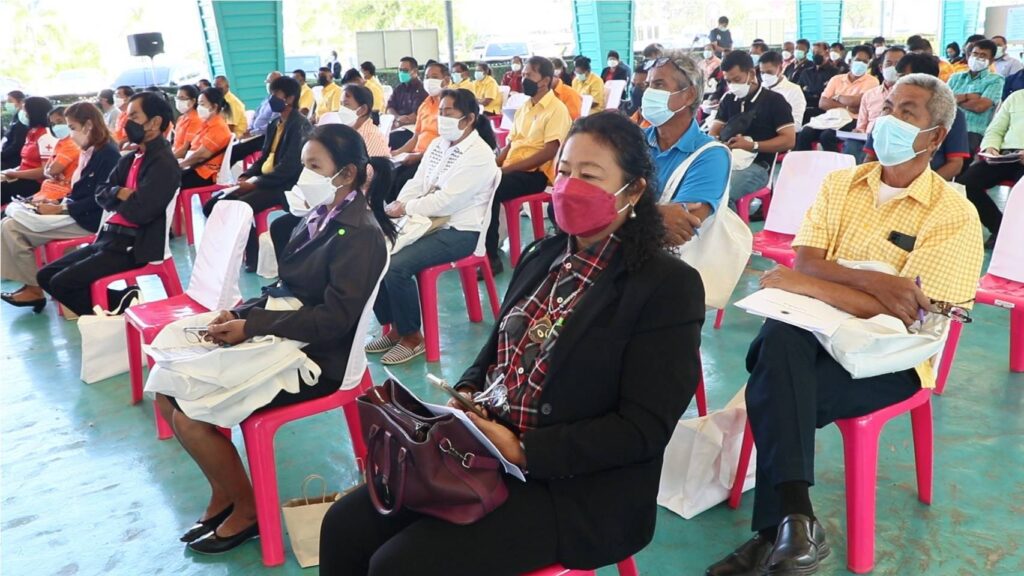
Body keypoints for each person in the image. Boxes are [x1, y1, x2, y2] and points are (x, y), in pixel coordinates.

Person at [320, 111, 704, 576]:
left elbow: (643, 429)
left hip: (574, 487)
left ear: (634, 190)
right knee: (343, 526)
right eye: (564, 172)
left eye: (589, 176)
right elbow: (496, 351)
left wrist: (525, 450)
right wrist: (466, 395)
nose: (569, 187)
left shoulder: (665, 286)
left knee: (399, 566)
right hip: (486, 452)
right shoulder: (544, 255)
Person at [705, 73, 983, 576]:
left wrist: (812, 282)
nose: (890, 120)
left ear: (936, 136)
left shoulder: (953, 215)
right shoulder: (842, 185)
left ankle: (775, 533)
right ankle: (795, 524)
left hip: (892, 361)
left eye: (908, 112)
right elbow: (806, 261)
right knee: (781, 342)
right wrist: (878, 283)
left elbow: (910, 316)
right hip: (815, 334)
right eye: (889, 107)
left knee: (773, 378)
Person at [157, 122, 393, 556]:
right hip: (287, 335)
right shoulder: (319, 217)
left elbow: (334, 321)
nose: (305, 176)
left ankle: (248, 512)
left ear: (347, 174)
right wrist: (241, 313)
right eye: (304, 165)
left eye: (314, 166)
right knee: (167, 390)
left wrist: (252, 326)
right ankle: (225, 494)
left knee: (188, 414)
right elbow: (286, 288)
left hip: (317, 358)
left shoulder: (359, 234)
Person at [366, 88, 499, 364]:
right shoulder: (439, 145)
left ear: (469, 119)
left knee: (396, 266)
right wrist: (400, 203)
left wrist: (406, 208)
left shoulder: (479, 154)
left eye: (449, 112)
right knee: (371, 251)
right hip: (424, 221)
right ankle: (394, 327)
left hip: (460, 231)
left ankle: (412, 337)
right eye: (441, 112)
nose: (442, 118)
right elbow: (417, 182)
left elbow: (447, 202)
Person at [36, 92, 180, 317]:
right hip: (109, 237)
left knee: (62, 283)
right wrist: (121, 192)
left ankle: (115, 319)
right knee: (45, 276)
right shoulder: (131, 157)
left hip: (134, 246)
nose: (127, 122)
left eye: (134, 116)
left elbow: (141, 213)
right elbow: (101, 193)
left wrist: (116, 197)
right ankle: (122, 303)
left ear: (154, 122)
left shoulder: (163, 163)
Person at [1, 102, 120, 312]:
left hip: (91, 220)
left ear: (88, 125)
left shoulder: (107, 154)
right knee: (8, 224)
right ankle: (32, 286)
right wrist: (57, 202)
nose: (69, 133)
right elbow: (80, 190)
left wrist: (62, 209)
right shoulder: (90, 151)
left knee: (10, 228)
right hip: (76, 211)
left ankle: (33, 288)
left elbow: (100, 198)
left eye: (72, 127)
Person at [203, 76, 312, 269]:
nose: (271, 99)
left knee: (240, 207)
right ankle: (248, 249)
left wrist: (255, 183)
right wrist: (247, 175)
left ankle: (252, 256)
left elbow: (289, 168)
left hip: (285, 185)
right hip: (265, 179)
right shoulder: (275, 123)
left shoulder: (300, 125)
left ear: (290, 98)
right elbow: (263, 158)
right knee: (214, 204)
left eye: (275, 94)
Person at [487, 56, 571, 274]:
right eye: (523, 74)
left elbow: (549, 152)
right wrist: (493, 165)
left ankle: (490, 256)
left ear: (545, 80)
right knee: (478, 181)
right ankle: (478, 247)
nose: (523, 79)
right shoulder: (525, 107)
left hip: (535, 174)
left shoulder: (557, 109)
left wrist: (505, 170)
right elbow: (511, 144)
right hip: (513, 168)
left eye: (529, 75)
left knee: (490, 188)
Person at [642, 51, 729, 245]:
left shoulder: (711, 155)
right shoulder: (633, 140)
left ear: (689, 95)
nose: (648, 93)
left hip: (676, 259)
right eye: (647, 85)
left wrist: (623, 213)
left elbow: (676, 229)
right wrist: (655, 213)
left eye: (658, 85)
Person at [862, 53, 971, 182]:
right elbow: (870, 157)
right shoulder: (888, 112)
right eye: (899, 77)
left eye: (904, 77)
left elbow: (955, 164)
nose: (898, 82)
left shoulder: (951, 115)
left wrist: (923, 186)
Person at [710, 50, 796, 210]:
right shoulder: (729, 99)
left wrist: (752, 146)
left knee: (722, 195)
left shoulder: (774, 101)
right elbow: (713, 131)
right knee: (699, 188)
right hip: (728, 160)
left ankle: (733, 227)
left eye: (737, 79)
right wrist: (717, 141)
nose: (732, 85)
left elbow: (789, 140)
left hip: (759, 166)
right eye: (728, 81)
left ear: (751, 73)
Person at [959, 89, 1024, 248]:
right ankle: (1000, 229)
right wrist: (991, 147)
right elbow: (995, 129)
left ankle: (1017, 236)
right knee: (965, 184)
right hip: (1006, 155)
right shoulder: (1016, 97)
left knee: (1021, 192)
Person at [797, 44, 878, 152]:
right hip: (832, 116)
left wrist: (837, 97)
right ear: (851, 61)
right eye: (858, 60)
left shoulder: (872, 81)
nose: (861, 64)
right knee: (805, 132)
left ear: (869, 64)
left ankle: (836, 162)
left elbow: (857, 102)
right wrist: (847, 106)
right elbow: (822, 103)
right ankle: (803, 160)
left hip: (854, 119)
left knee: (827, 136)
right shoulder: (836, 79)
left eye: (865, 62)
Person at [388, 61, 449, 201]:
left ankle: (404, 211)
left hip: (435, 158)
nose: (429, 81)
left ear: (446, 80)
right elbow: (415, 137)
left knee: (403, 181)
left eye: (434, 77)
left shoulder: (449, 106)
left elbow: (448, 143)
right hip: (416, 155)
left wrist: (419, 156)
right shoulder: (425, 104)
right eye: (427, 77)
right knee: (390, 175)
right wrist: (397, 153)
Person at [843, 46, 906, 162]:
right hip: (868, 139)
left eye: (897, 64)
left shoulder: (909, 95)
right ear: (881, 68)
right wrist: (858, 131)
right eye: (889, 63)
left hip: (894, 139)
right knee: (852, 144)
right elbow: (861, 126)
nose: (893, 67)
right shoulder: (870, 95)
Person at [948, 39, 1004, 156]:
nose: (977, 58)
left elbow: (980, 106)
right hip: (947, 126)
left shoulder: (995, 80)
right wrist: (968, 96)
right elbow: (943, 101)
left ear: (991, 60)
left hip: (972, 131)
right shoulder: (956, 77)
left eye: (983, 56)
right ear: (969, 55)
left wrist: (955, 99)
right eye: (975, 54)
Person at [1, 96, 55, 204]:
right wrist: (10, 172)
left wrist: (15, 174)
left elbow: (45, 171)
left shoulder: (46, 136)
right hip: (22, 177)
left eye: (25, 111)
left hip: (36, 183)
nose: (23, 114)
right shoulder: (31, 132)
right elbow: (26, 163)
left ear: (34, 113)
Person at [178, 87, 234, 189]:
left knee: (167, 181)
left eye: (202, 104)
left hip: (204, 173)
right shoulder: (207, 124)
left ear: (214, 107)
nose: (198, 108)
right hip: (196, 167)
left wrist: (180, 165)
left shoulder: (218, 127)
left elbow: (201, 155)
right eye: (198, 104)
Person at [231, 71, 283, 164]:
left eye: (271, 82)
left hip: (265, 137)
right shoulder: (267, 99)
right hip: (254, 133)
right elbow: (255, 115)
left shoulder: (279, 103)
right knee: (230, 146)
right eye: (267, 82)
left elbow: (273, 125)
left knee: (234, 151)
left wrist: (252, 133)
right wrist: (250, 129)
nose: (268, 85)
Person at [30, 106, 81, 202]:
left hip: (63, 194)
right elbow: (47, 170)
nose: (56, 127)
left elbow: (53, 170)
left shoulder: (72, 143)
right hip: (50, 189)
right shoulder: (61, 142)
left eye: (59, 122)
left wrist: (50, 171)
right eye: (53, 124)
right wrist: (50, 171)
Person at [760, 50, 807, 132]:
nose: (765, 76)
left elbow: (796, 125)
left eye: (769, 72)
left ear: (780, 69)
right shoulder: (759, 88)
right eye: (762, 73)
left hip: (781, 135)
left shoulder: (794, 91)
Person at [387, 56, 428, 148]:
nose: (401, 73)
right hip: (397, 124)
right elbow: (390, 107)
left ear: (415, 71)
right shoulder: (399, 88)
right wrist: (397, 118)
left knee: (390, 140)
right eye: (400, 70)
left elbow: (416, 116)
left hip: (412, 128)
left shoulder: (422, 90)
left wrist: (401, 121)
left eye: (405, 70)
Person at [343, 84, 390, 157]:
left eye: (346, 105)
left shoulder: (369, 136)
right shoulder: (348, 131)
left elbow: (366, 165)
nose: (342, 110)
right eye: (341, 105)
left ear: (363, 109)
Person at [795, 49, 838, 123]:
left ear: (827, 53)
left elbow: (829, 94)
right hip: (806, 105)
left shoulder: (834, 72)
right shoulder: (806, 72)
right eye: (814, 53)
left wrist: (808, 89)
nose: (816, 55)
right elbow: (799, 90)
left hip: (823, 109)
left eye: (818, 52)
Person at [171, 85, 202, 159]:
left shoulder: (196, 120)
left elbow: (185, 150)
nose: (178, 101)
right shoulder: (181, 118)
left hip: (183, 159)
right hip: (175, 154)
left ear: (193, 101)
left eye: (182, 98)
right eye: (177, 98)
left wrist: (168, 160)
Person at [2, 90, 28, 170]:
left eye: (10, 101)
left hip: (13, 161)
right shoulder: (16, 117)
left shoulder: (23, 119)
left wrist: (2, 155)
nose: (7, 104)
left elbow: (17, 144)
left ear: (21, 102)